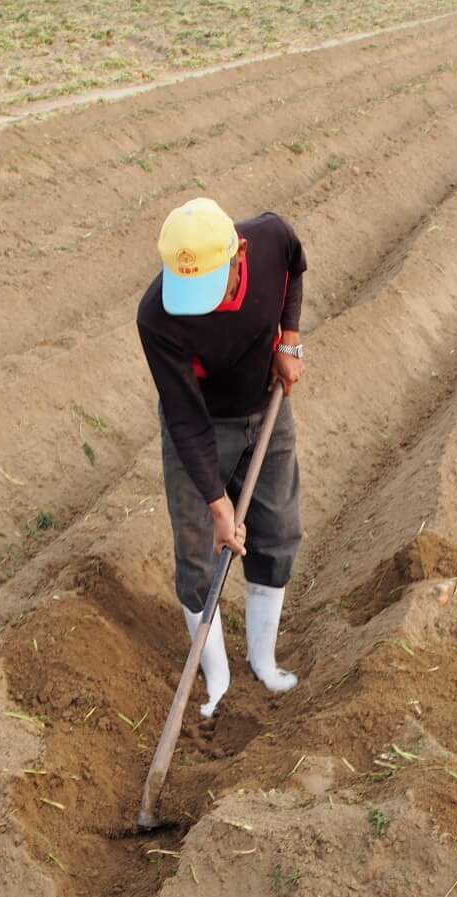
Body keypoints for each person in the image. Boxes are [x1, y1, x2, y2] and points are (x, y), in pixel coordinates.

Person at [137, 197, 307, 718]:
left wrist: (290, 341)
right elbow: (184, 419)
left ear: (241, 255)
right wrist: (218, 506)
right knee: (196, 553)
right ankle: (217, 675)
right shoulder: (157, 317)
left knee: (277, 529)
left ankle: (263, 659)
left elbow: (294, 263)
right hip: (201, 423)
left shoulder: (271, 239)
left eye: (212, 289)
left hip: (265, 407)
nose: (201, 308)